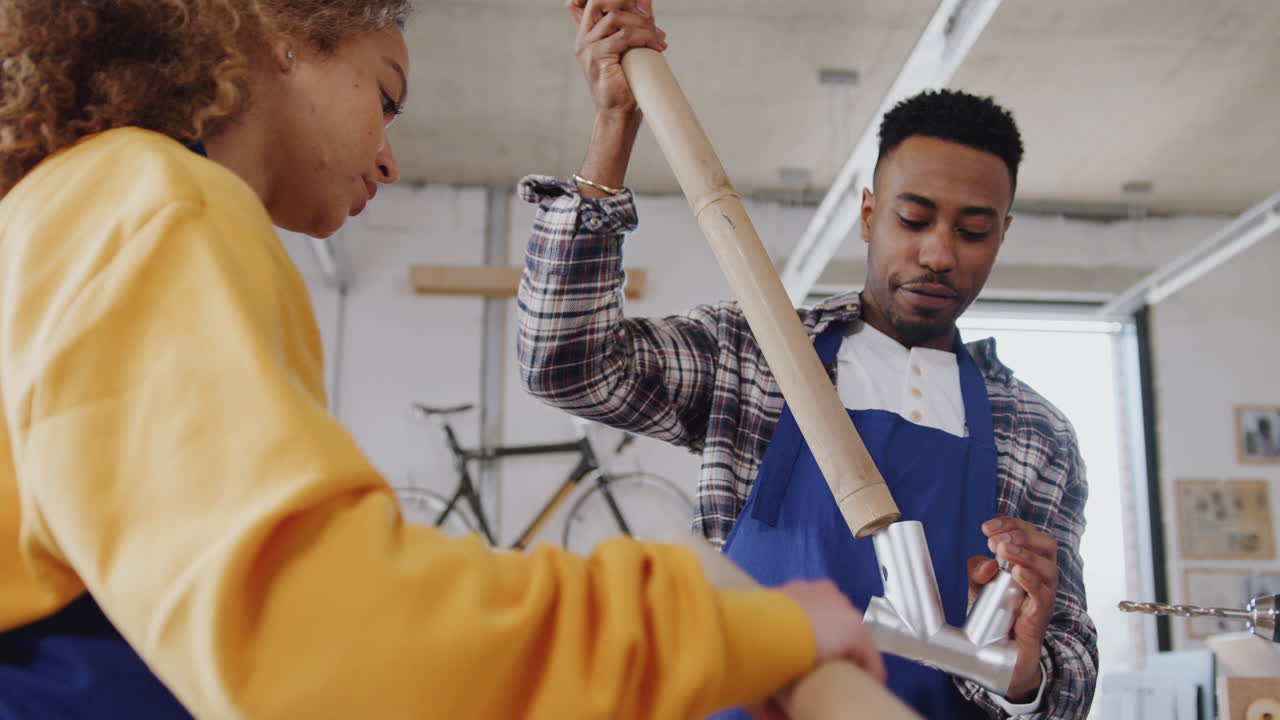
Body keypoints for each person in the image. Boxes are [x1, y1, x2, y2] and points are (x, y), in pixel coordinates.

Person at [0, 1, 887, 718]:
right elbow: (328, 638)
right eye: (385, 97)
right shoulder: (156, 204)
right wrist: (729, 627)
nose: (389, 160)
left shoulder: (77, 211)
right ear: (278, 35)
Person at [516, 0, 1099, 717]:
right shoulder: (755, 353)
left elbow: (1069, 681)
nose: (938, 253)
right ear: (868, 213)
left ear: (1002, 235)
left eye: (973, 231)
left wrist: (1023, 666)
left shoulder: (1037, 434)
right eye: (913, 219)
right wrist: (613, 126)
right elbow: (564, 363)